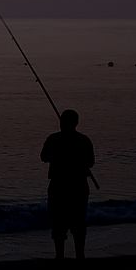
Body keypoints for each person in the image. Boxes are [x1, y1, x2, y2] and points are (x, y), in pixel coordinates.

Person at [40, 109, 95, 260]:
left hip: (60, 186)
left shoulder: (53, 139)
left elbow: (43, 157)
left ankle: (60, 257)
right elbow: (91, 162)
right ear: (76, 123)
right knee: (78, 224)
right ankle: (79, 256)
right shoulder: (84, 140)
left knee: (59, 224)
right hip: (78, 187)